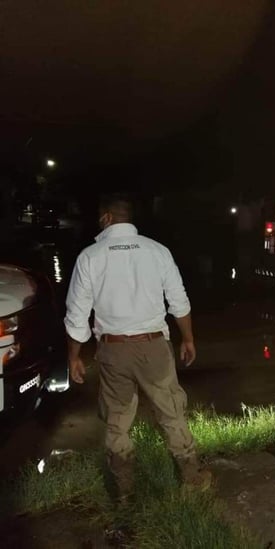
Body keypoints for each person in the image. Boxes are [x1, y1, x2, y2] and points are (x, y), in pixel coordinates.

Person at [64, 193, 212, 500]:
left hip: (113, 350)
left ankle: (124, 492)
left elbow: (77, 315)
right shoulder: (157, 251)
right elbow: (179, 302)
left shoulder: (90, 257)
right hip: (153, 348)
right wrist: (188, 338)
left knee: (117, 421)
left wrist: (74, 357)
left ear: (106, 218)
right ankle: (190, 478)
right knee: (171, 412)